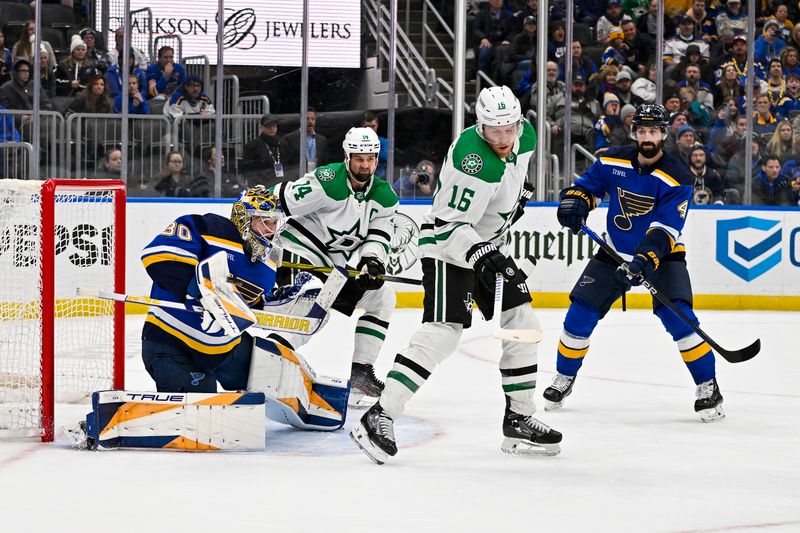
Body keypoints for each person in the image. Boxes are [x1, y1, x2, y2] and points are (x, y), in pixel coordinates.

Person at [350, 86, 562, 464]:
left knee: (522, 322)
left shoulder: (525, 135)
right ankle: (379, 414)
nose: (503, 138)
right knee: (443, 333)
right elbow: (448, 225)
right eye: (494, 131)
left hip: (490, 245)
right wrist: (478, 251)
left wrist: (514, 200)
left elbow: (514, 174)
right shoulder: (471, 160)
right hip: (449, 248)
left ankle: (519, 416)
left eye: (508, 129)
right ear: (480, 126)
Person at [545, 104, 725, 423]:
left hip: (662, 257)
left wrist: (645, 259)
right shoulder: (612, 158)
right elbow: (588, 187)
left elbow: (666, 227)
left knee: (681, 322)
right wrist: (576, 202)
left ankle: (707, 386)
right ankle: (564, 377)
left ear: (663, 135)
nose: (647, 137)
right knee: (578, 318)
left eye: (653, 131)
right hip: (614, 250)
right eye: (642, 131)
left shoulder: (677, 176)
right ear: (634, 133)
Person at [269, 126, 399, 409]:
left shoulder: (384, 196)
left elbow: (379, 234)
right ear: (347, 157)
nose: (365, 164)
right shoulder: (328, 181)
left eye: (370, 158)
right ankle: (272, 357)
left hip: (332, 267)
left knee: (383, 297)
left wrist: (372, 261)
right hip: (297, 252)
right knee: (317, 308)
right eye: (358, 158)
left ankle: (361, 373)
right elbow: (277, 199)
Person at [140, 187, 286, 392]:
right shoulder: (208, 228)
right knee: (202, 415)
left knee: (277, 375)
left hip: (226, 348)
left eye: (274, 222)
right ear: (244, 218)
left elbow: (248, 305)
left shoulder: (268, 263)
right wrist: (200, 293)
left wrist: (277, 302)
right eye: (264, 221)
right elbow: (157, 258)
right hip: (174, 343)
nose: (271, 230)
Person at [243, 114, 291, 186]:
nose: (272, 128)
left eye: (274, 126)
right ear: (261, 127)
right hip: (261, 187)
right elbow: (248, 171)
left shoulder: (283, 144)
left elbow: (289, 165)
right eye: (268, 126)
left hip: (281, 185)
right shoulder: (252, 146)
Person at [284, 106, 329, 172]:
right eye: (307, 119)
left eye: (313, 119)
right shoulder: (289, 139)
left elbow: (325, 163)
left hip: (317, 177)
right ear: (301, 120)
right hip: (297, 177)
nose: (310, 121)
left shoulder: (322, 140)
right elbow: (287, 163)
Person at [360, 111, 389, 178]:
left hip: (380, 176)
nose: (370, 129)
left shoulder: (384, 142)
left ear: (377, 124)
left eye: (373, 126)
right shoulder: (355, 141)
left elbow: (385, 157)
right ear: (362, 126)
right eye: (367, 126)